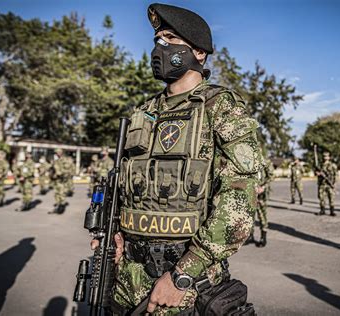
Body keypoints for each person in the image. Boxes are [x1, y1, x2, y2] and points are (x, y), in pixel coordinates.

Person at [91, 3, 263, 314]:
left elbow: (238, 202)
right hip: (128, 278)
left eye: (170, 38)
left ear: (199, 52)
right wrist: (115, 235)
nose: (160, 47)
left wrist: (183, 275)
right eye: (157, 39)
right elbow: (127, 183)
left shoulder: (220, 107)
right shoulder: (143, 112)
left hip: (184, 282)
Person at [254, 154, 276, 247]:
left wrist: (263, 187)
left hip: (261, 193)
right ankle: (250, 236)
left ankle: (263, 237)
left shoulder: (266, 162)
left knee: (262, 215)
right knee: (249, 215)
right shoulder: (249, 160)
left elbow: (271, 176)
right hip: (251, 192)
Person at [316, 152, 337, 216]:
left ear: (329, 157)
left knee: (331, 197)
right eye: (324, 156)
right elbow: (316, 172)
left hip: (329, 184)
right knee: (321, 197)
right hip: (322, 184)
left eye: (326, 156)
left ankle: (332, 211)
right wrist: (318, 174)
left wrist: (335, 183)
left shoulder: (332, 165)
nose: (325, 158)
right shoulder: (320, 165)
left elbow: (335, 175)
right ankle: (322, 210)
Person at [49, 149, 68, 214]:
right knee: (56, 194)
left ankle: (61, 208)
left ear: (61, 152)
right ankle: (57, 207)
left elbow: (66, 170)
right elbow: (52, 169)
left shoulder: (65, 160)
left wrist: (59, 172)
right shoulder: (56, 161)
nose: (57, 154)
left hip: (62, 180)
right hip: (56, 180)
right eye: (56, 153)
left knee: (61, 194)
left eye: (58, 152)